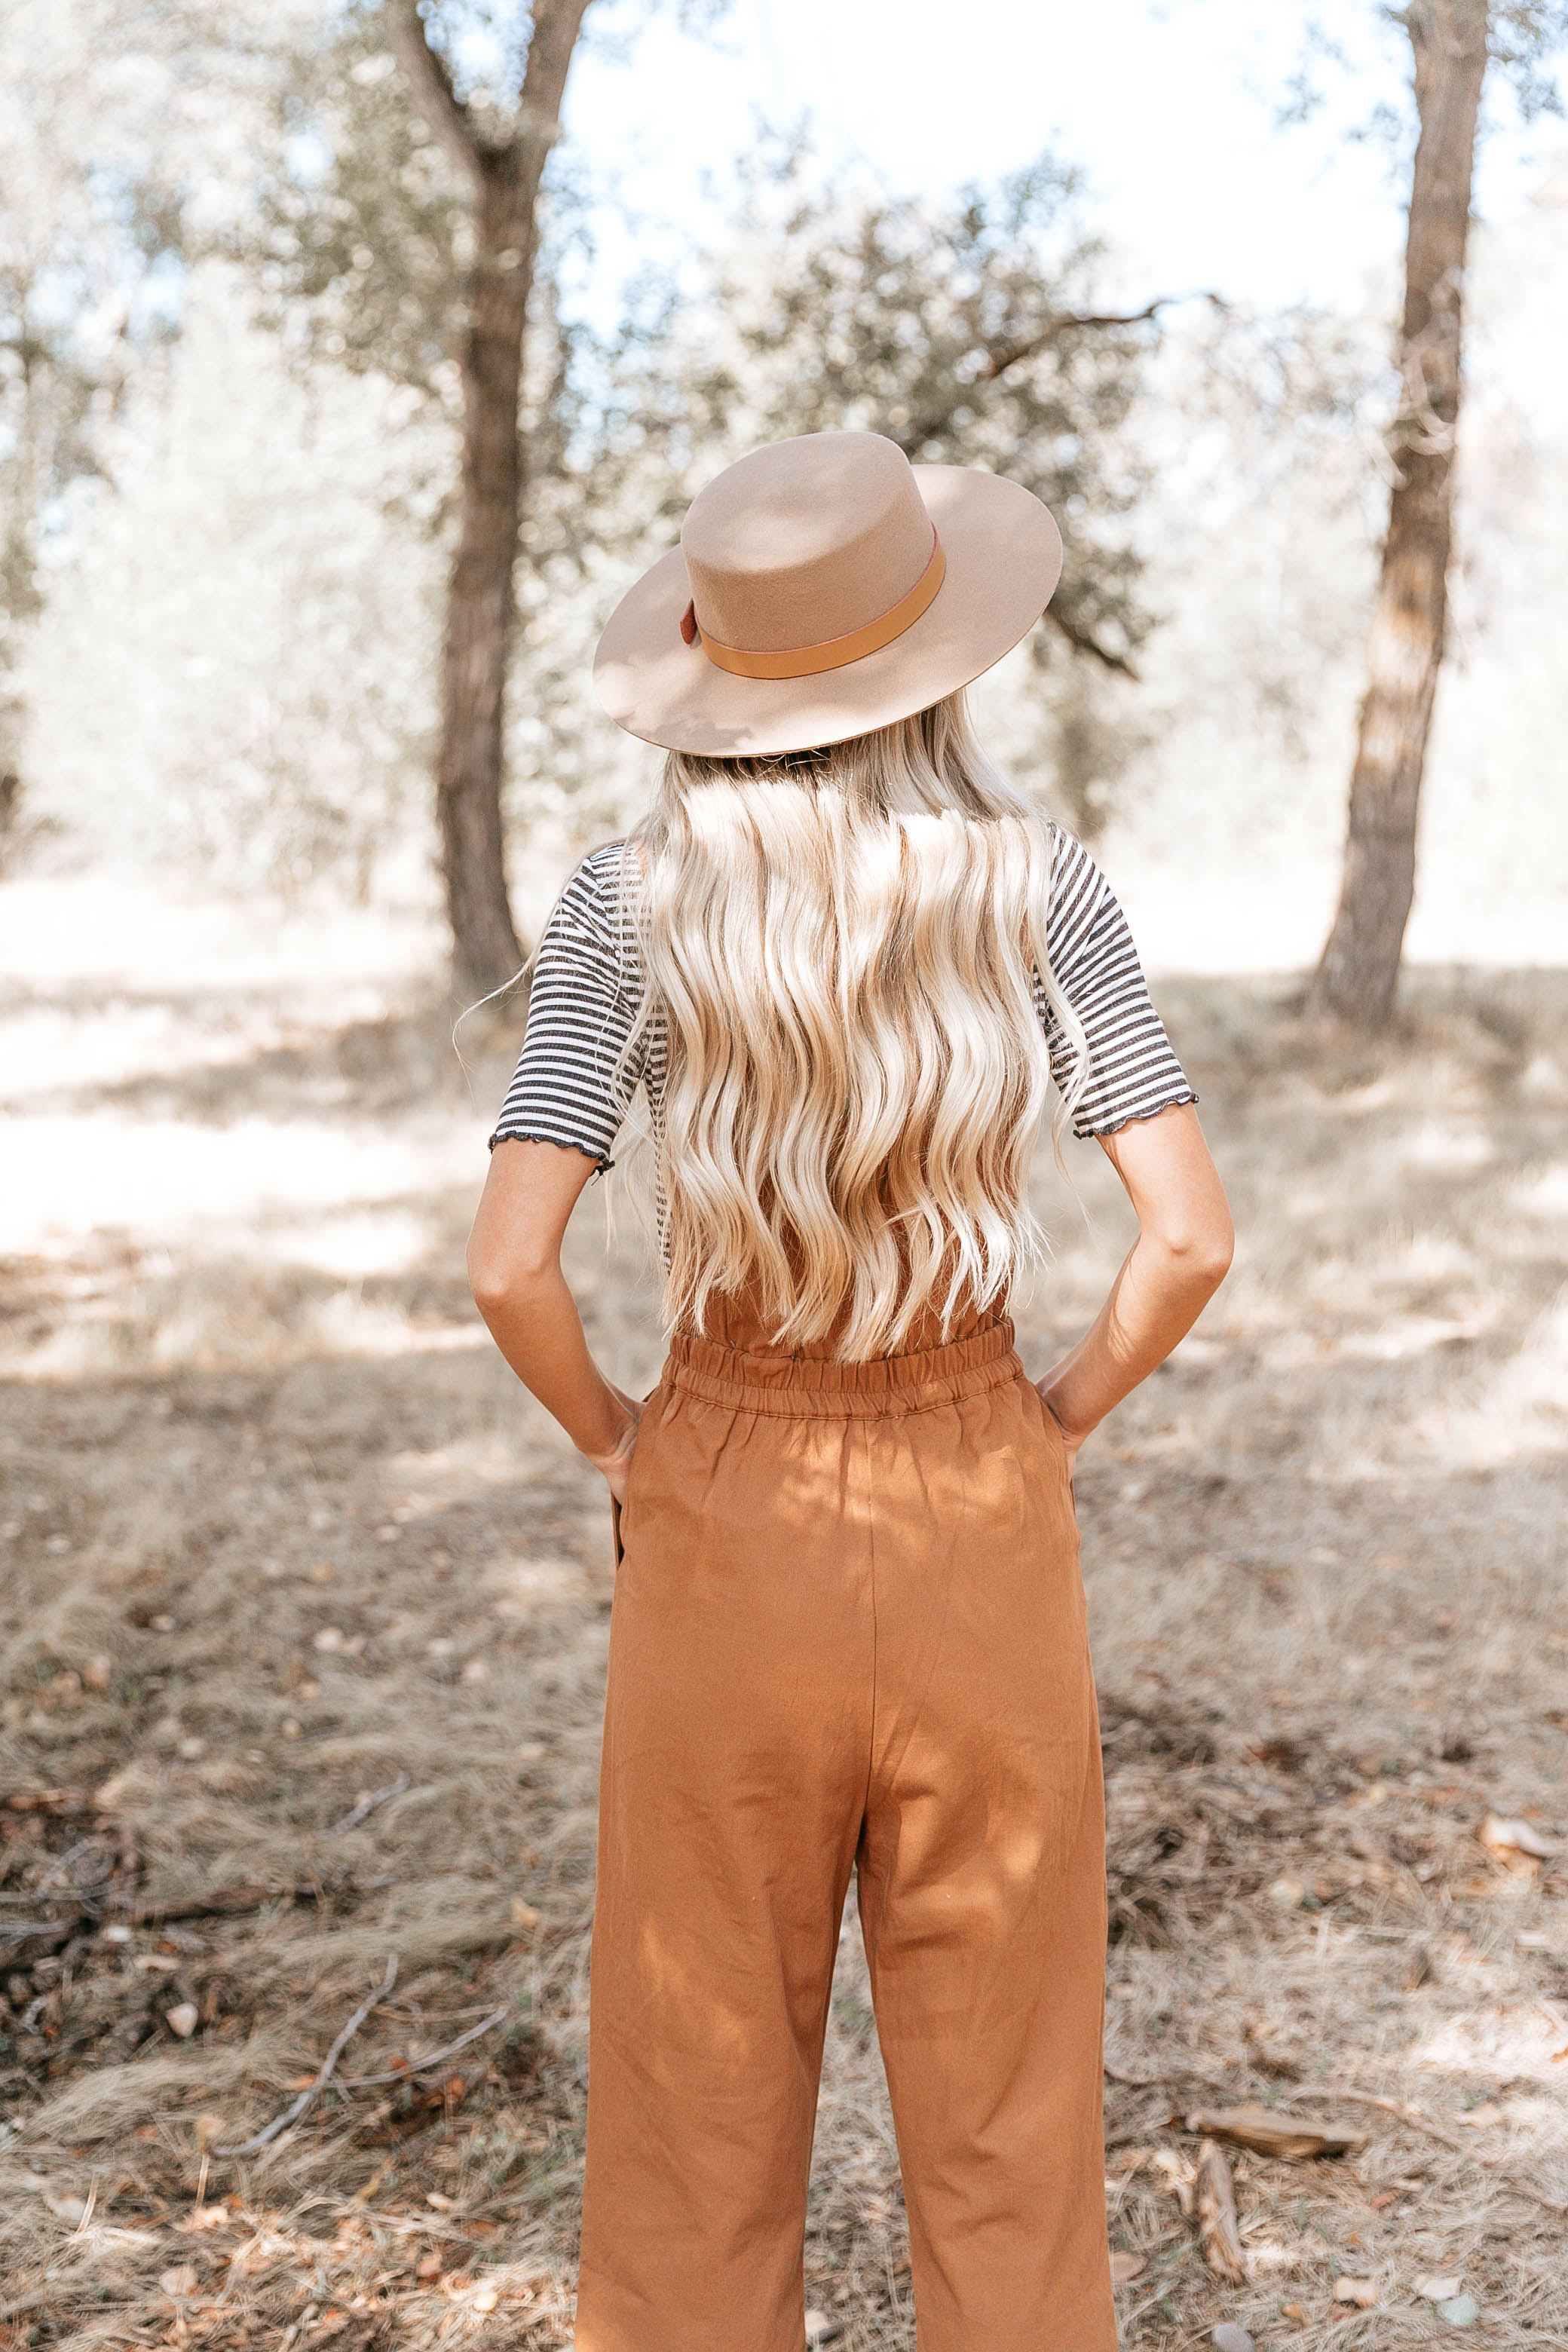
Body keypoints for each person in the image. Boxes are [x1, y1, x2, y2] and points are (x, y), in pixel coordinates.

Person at [467, 430, 1233, 2352]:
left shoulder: (624, 903)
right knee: (1008, 2126)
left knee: (693, 2115)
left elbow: (507, 1268)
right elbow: (1189, 1239)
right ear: (933, 662)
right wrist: (1050, 1420)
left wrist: (621, 1444)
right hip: (978, 1504)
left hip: (722, 1512)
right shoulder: (1038, 888)